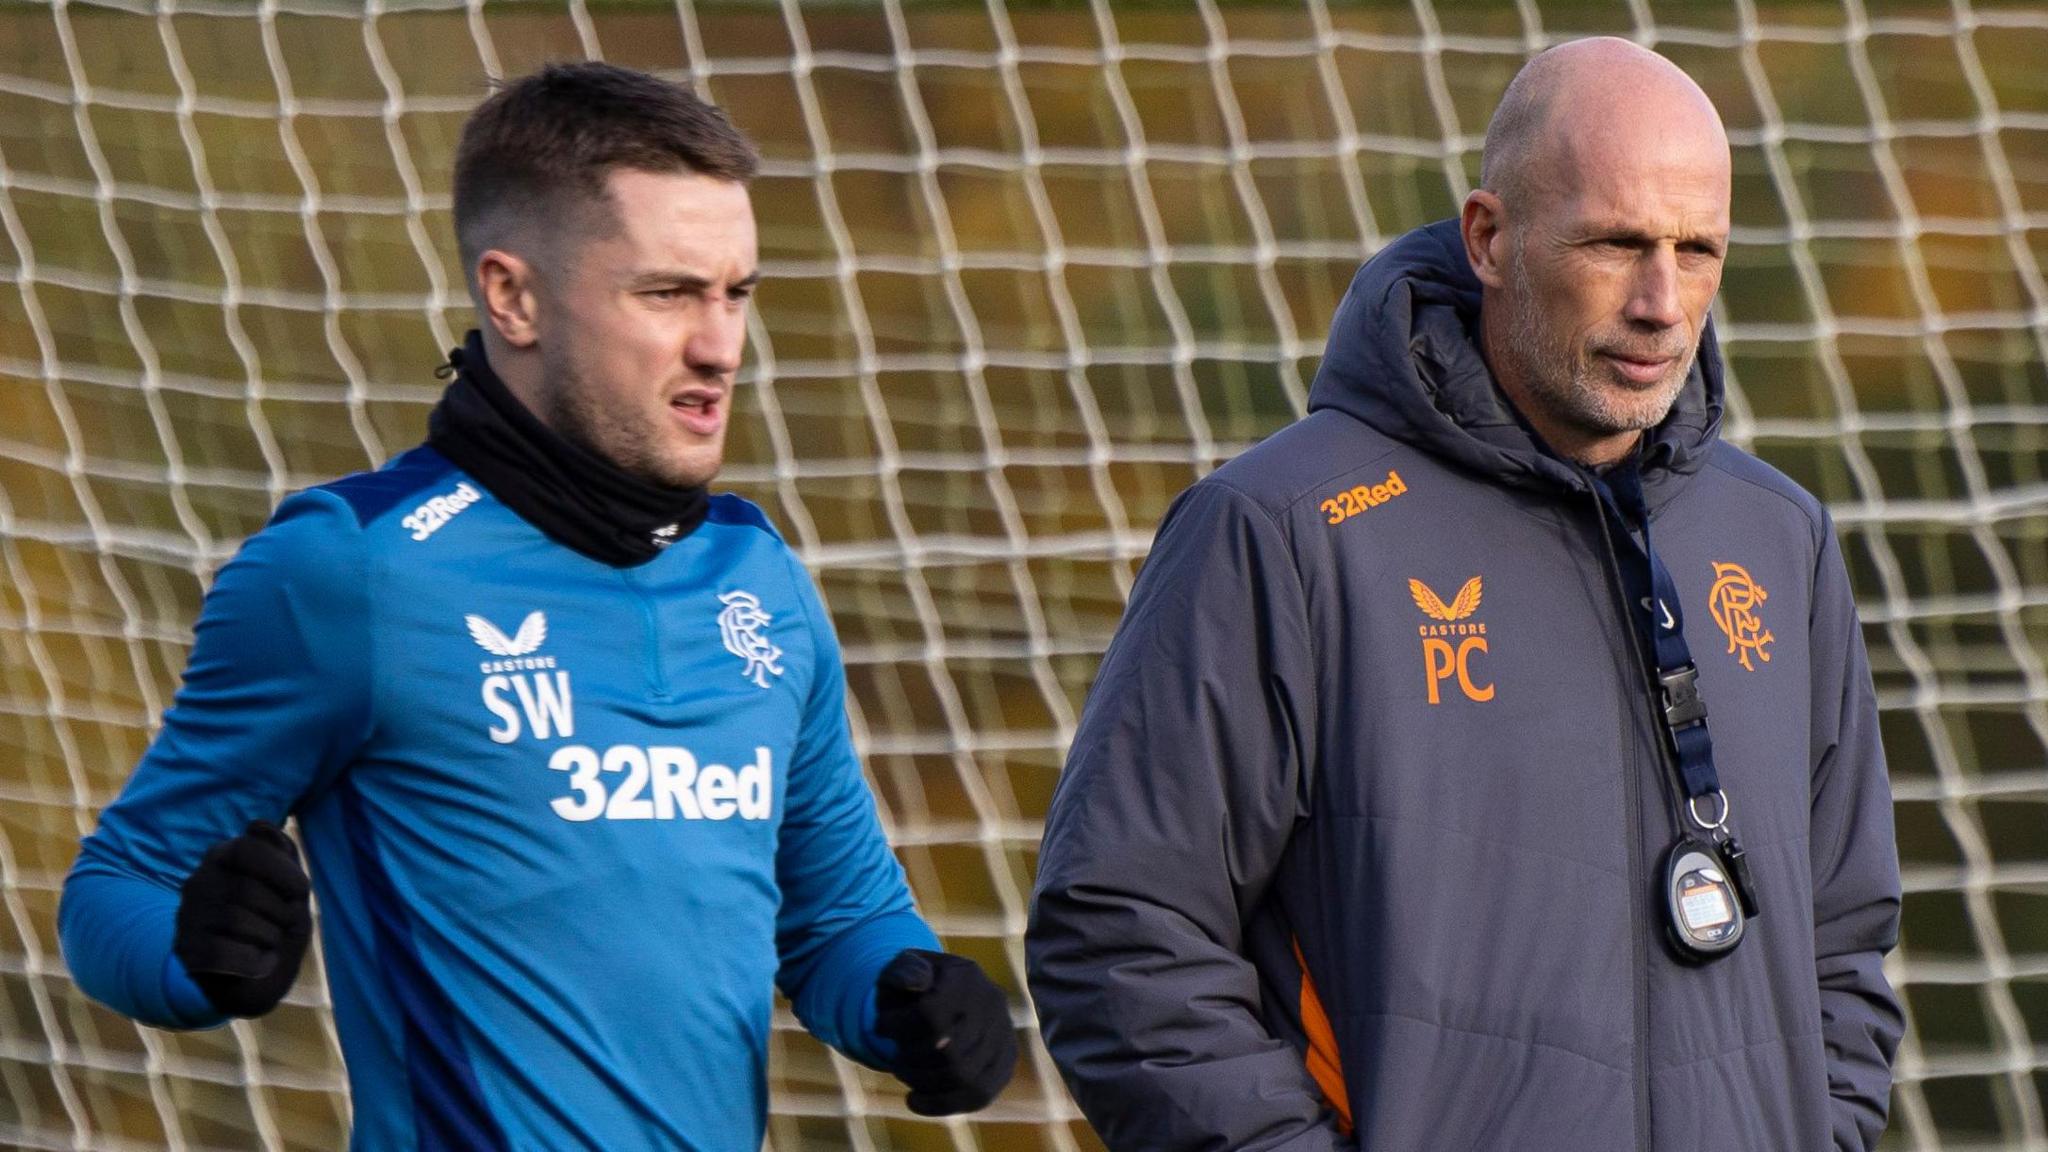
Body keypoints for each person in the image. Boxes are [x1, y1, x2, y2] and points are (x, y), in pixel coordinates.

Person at [61, 62, 1014, 1150]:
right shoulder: (351, 569)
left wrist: (914, 1003)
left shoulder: (757, 578)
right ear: (512, 296)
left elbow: (838, 921)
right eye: (666, 293)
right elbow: (116, 887)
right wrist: (190, 959)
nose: (720, 346)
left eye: (735, 292)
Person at [1027, 38, 1901, 1152]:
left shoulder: (1778, 540)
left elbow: (1844, 938)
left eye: (1696, 252)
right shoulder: (1282, 532)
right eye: (1615, 244)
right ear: (1488, 238)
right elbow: (1118, 932)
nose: (1660, 303)